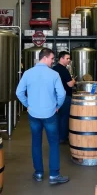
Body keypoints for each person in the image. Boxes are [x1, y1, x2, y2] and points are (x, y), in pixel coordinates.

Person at [16, 47, 69, 184]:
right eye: (52, 58)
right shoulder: (54, 74)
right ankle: (54, 175)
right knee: (53, 143)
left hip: (33, 114)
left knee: (36, 143)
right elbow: (62, 94)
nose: (53, 61)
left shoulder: (27, 73)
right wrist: (57, 105)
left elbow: (19, 92)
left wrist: (28, 105)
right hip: (50, 114)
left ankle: (38, 173)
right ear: (44, 58)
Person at [53, 51, 76, 143]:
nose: (69, 61)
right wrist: (73, 80)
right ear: (61, 58)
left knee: (57, 117)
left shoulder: (54, 69)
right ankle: (63, 137)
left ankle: (57, 136)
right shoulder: (64, 70)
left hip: (55, 97)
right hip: (66, 97)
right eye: (67, 58)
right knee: (65, 118)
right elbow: (70, 84)